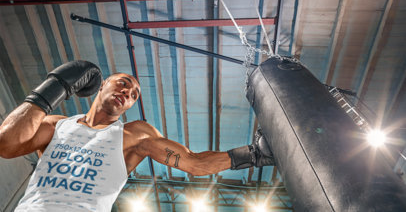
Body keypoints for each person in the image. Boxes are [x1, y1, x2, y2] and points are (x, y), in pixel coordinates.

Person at [0, 61, 274, 212]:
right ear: (102, 84)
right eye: (123, 83)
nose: (127, 93)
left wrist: (254, 154)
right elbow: (6, 144)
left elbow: (193, 163)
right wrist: (55, 86)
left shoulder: (133, 134)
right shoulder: (55, 125)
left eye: (133, 95)